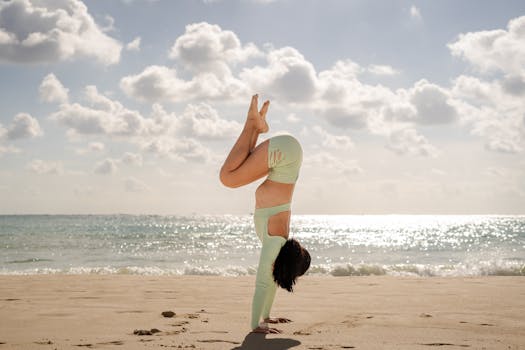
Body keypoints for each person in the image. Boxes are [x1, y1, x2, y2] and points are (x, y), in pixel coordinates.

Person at [220, 94, 311, 334]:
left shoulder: (278, 241)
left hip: (289, 155)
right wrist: (256, 326)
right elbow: (262, 284)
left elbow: (269, 283)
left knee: (232, 174)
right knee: (227, 177)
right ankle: (253, 126)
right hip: (286, 155)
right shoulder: (275, 243)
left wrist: (267, 317)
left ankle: (256, 127)